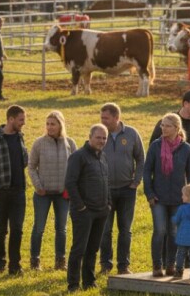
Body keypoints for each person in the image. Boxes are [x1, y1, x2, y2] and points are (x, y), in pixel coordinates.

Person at [144, 113, 190, 277]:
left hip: (178, 200)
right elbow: (147, 172)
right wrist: (150, 194)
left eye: (167, 125)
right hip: (158, 198)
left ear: (176, 128)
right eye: (162, 125)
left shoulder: (186, 148)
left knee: (174, 232)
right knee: (160, 231)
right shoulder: (155, 146)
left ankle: (170, 265)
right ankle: (157, 266)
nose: (163, 128)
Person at [0, 105, 29, 275]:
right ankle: (0, 263)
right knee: (2, 229)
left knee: (17, 229)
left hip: (19, 191)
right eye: (21, 120)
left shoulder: (20, 137)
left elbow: (24, 161)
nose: (23, 123)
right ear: (11, 119)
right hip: (1, 192)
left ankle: (15, 266)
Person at [99, 103, 145, 275]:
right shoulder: (99, 133)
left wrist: (136, 180)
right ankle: (105, 264)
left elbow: (141, 158)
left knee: (125, 229)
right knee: (105, 230)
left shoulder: (132, 134)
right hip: (105, 191)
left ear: (116, 118)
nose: (103, 121)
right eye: (101, 118)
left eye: (106, 118)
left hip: (127, 190)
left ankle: (123, 265)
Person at [28, 111, 77, 271]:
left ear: (60, 125)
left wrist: (70, 188)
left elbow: (75, 169)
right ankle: (35, 261)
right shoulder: (39, 143)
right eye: (47, 124)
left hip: (63, 195)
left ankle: (60, 261)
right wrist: (38, 186)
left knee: (61, 229)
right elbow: (31, 167)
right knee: (39, 228)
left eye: (53, 124)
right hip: (43, 194)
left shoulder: (70, 143)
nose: (49, 127)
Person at [65, 124, 111, 292]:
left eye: (104, 138)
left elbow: (107, 181)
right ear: (90, 137)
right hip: (84, 212)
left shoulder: (103, 156)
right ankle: (73, 284)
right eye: (98, 137)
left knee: (93, 248)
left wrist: (108, 204)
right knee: (79, 249)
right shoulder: (78, 157)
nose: (101, 141)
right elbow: (70, 183)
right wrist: (81, 207)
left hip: (101, 210)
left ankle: (89, 281)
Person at [150, 90, 190, 191]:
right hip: (166, 179)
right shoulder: (167, 122)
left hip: (189, 179)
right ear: (185, 104)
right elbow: (152, 149)